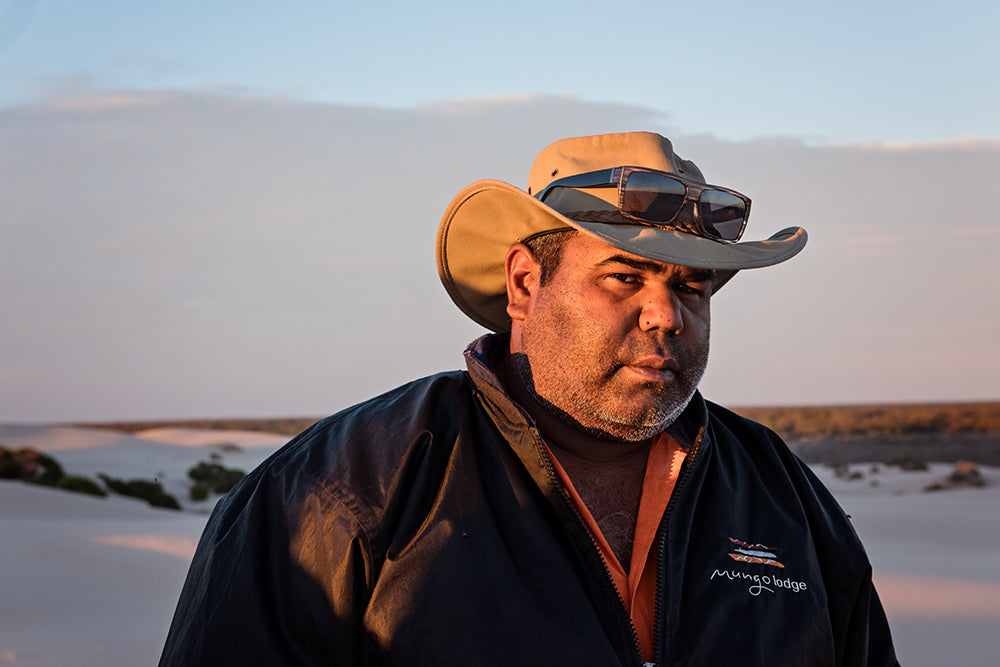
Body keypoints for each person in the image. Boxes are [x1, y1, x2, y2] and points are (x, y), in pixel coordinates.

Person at [160, 132, 898, 666]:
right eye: (624, 276)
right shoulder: (336, 494)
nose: (667, 315)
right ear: (523, 283)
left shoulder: (784, 498)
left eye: (691, 286)